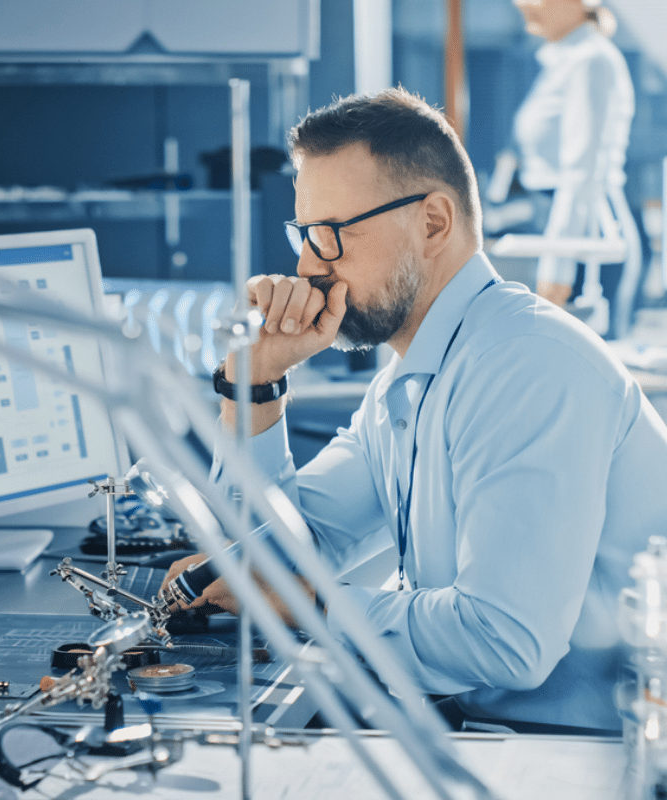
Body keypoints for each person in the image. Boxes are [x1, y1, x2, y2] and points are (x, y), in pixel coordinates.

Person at [163, 86, 667, 734]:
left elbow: (504, 643)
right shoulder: (411, 380)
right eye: (304, 234)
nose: (306, 265)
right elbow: (265, 556)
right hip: (481, 729)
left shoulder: (527, 365)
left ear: (432, 222)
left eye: (331, 235)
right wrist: (255, 381)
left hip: (586, 757)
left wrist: (308, 603)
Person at [485, 0, 641, 337]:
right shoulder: (563, 62)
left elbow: (582, 174)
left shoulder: (591, 61)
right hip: (561, 229)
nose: (522, 3)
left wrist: (558, 269)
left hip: (584, 239)